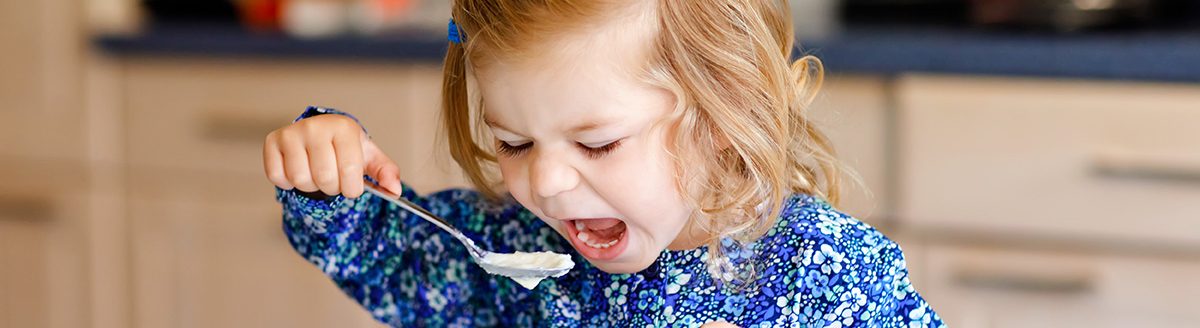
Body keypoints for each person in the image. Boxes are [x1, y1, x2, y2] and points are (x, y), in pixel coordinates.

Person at [262, 0, 944, 326]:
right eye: (515, 144)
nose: (546, 183)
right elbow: (392, 260)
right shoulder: (516, 256)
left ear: (722, 114)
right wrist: (330, 180)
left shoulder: (826, 273)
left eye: (597, 145)